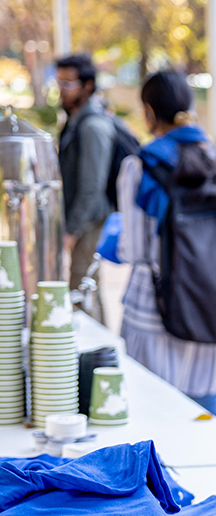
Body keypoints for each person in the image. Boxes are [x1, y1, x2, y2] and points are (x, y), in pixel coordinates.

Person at [114, 70, 216, 424]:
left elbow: (132, 251)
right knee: (209, 407)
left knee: (153, 414)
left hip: (155, 308)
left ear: (149, 112)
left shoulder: (138, 167)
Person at [56, 53, 114, 322]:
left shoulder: (93, 125)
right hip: (81, 220)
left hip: (90, 222)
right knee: (83, 287)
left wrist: (72, 229)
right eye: (59, 82)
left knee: (83, 289)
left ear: (87, 86)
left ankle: (99, 356)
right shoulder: (75, 120)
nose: (61, 90)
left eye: (68, 84)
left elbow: (92, 186)